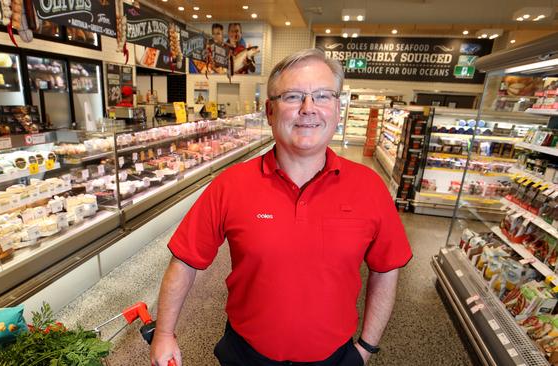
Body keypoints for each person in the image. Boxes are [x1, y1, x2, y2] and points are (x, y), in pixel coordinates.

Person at [150, 48, 412, 366]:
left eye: (322, 96)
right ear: (269, 111)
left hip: (334, 358)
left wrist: (366, 348)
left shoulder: (369, 187)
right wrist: (164, 334)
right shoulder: (230, 185)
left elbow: (386, 269)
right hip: (245, 355)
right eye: (292, 97)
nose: (308, 109)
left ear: (338, 109)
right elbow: (185, 261)